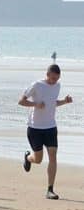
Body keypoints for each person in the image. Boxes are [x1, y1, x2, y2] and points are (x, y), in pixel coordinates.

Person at [18, 64, 73, 200]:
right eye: (53, 78)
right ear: (47, 74)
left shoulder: (57, 86)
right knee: (38, 159)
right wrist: (35, 104)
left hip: (50, 127)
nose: (54, 81)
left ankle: (50, 189)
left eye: (57, 79)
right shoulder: (37, 85)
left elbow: (52, 103)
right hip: (35, 128)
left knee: (53, 156)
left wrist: (64, 102)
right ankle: (28, 158)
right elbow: (21, 101)